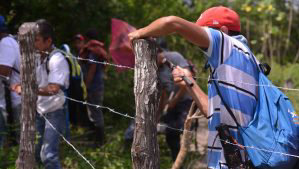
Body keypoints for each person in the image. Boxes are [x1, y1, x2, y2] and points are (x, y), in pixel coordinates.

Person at [129, 6, 259, 169]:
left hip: (236, 160)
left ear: (224, 31)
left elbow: (173, 23)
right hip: (239, 160)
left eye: (205, 31)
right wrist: (189, 82)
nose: (200, 41)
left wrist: (139, 33)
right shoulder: (240, 61)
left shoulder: (228, 45)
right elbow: (210, 112)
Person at [12, 19, 69, 169]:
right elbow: (25, 81)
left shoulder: (57, 59)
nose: (32, 44)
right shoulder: (35, 57)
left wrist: (27, 90)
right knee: (34, 153)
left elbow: (53, 89)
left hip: (55, 111)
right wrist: (19, 86)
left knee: (48, 155)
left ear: (48, 40)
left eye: (36, 40)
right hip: (38, 111)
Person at [156, 39, 193, 161]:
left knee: (180, 127)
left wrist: (174, 101)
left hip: (185, 100)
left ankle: (183, 157)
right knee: (170, 135)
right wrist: (160, 111)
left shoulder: (174, 57)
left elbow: (187, 80)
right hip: (172, 103)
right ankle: (176, 161)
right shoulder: (157, 68)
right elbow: (163, 91)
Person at [79, 29, 107, 146]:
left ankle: (99, 141)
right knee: (94, 111)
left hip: (94, 86)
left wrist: (87, 85)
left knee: (95, 111)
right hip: (98, 84)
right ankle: (96, 138)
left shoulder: (92, 51)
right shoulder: (98, 50)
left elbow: (92, 68)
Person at [0, 15, 21, 147]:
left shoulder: (6, 43)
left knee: (21, 140)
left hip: (16, 100)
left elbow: (4, 71)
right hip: (14, 99)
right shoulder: (9, 41)